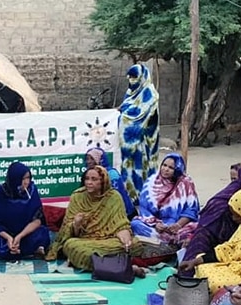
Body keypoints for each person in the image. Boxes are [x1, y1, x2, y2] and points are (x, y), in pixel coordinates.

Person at [45, 165, 142, 270]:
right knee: (72, 246)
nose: (89, 182)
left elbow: (121, 225)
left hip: (110, 240)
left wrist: (125, 238)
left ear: (103, 181)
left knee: (135, 244)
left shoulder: (114, 197)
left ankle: (111, 263)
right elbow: (67, 232)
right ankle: (122, 266)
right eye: (87, 179)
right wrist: (76, 224)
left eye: (94, 179)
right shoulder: (77, 196)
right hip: (86, 241)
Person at [181, 163, 241, 268]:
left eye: (236, 180)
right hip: (215, 250)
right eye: (232, 180)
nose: (233, 184)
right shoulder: (223, 201)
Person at [0, 162, 51, 259]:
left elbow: (37, 220)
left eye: (28, 178)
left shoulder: (31, 191)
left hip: (25, 234)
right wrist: (9, 238)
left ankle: (9, 251)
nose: (26, 182)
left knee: (42, 233)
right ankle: (20, 251)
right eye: (23, 179)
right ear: (14, 179)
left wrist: (19, 236)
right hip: (3, 235)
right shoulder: (0, 192)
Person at [130, 152, 200, 246]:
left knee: (197, 227)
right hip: (157, 225)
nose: (165, 169)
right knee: (135, 224)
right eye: (164, 165)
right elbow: (144, 209)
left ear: (178, 169)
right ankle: (170, 242)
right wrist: (156, 224)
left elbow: (192, 210)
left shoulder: (186, 183)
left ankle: (166, 241)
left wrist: (178, 225)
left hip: (179, 225)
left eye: (171, 168)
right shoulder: (151, 182)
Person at [118, 64, 160, 202]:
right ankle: (131, 195)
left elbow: (138, 115)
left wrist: (121, 116)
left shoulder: (150, 94)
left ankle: (144, 196)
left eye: (134, 76)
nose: (131, 79)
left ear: (142, 77)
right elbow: (125, 107)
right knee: (128, 166)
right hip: (131, 142)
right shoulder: (131, 93)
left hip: (145, 140)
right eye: (129, 76)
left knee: (142, 167)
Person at [80, 147, 137, 219]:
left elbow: (117, 197)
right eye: (87, 159)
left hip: (121, 214)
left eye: (92, 158)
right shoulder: (87, 174)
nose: (88, 161)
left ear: (100, 159)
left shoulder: (112, 174)